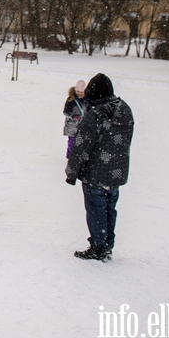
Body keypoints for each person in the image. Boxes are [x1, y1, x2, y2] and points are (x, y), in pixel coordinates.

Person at [65, 73, 134, 262]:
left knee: (96, 209)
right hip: (116, 172)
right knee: (109, 207)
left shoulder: (96, 114)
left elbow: (81, 146)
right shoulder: (124, 108)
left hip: (95, 173)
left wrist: (71, 172)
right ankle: (106, 244)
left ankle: (98, 246)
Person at [63, 80, 89, 159]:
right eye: (77, 91)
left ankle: (78, 156)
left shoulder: (88, 100)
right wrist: (73, 116)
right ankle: (70, 156)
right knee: (72, 141)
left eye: (81, 92)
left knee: (82, 141)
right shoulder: (71, 100)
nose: (79, 93)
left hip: (83, 125)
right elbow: (65, 111)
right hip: (72, 125)